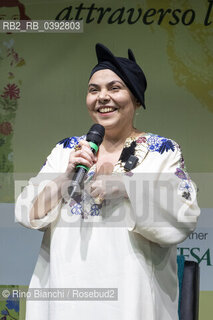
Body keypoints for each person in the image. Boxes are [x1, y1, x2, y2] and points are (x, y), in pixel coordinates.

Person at [15, 43, 200, 320]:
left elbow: (183, 215)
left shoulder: (163, 150)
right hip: (67, 295)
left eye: (114, 88)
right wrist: (65, 178)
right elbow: (27, 211)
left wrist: (127, 187)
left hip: (130, 298)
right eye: (94, 90)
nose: (102, 97)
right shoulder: (68, 150)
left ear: (136, 99)